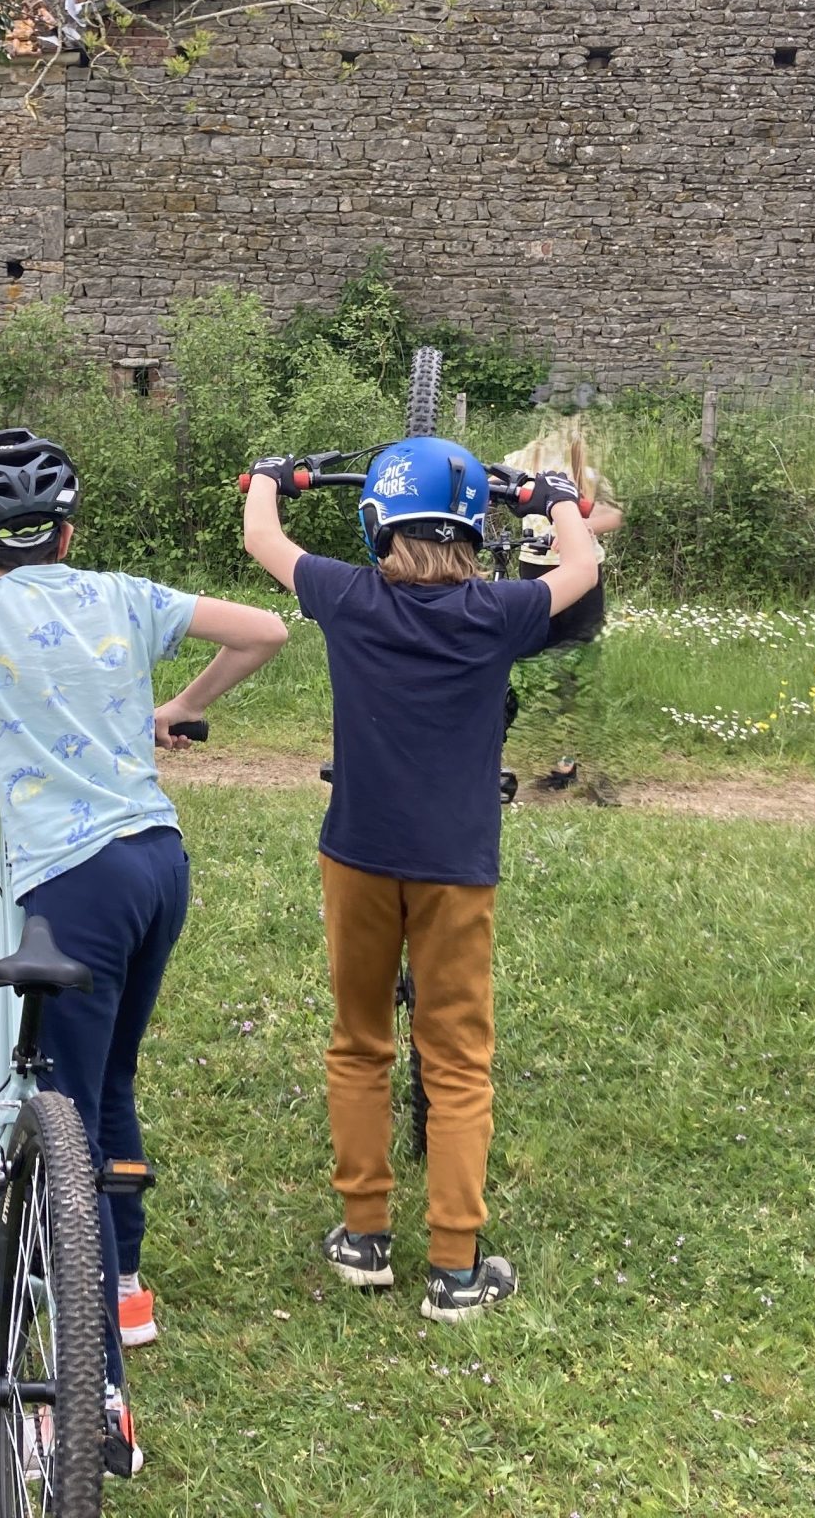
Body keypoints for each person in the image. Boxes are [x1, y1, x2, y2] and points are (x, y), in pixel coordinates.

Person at [0, 428, 287, 1476]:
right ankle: (125, 1282)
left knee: (46, 1111)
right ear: (67, 534)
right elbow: (264, 629)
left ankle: (95, 1403)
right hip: (158, 862)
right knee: (107, 1079)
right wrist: (180, 708)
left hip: (70, 882)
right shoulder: (123, 594)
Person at [242, 435, 597, 1323]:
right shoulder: (500, 612)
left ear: (378, 523)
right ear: (473, 527)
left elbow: (262, 537)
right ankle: (454, 1265)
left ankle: (364, 1234)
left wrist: (271, 479)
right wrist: (553, 498)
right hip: (456, 868)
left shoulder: (347, 596)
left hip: (357, 856)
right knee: (458, 1057)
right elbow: (583, 568)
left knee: (360, 1041)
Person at [499, 419, 625, 800]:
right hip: (537, 576)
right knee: (542, 671)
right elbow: (493, 487)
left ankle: (593, 769)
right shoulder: (521, 459)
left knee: (582, 672)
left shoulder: (586, 467)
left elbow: (613, 515)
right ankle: (561, 763)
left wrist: (581, 526)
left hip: (582, 577)